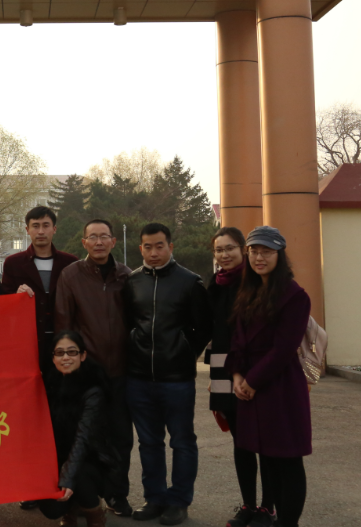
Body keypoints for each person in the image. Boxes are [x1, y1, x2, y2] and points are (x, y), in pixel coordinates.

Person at [123, 223, 210, 525]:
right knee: (149, 443)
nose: (154, 252)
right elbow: (127, 323)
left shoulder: (190, 282)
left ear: (170, 247)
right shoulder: (132, 282)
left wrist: (184, 352)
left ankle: (179, 501)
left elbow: (203, 327)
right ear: (140, 248)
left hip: (177, 380)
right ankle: (155, 498)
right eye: (147, 247)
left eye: (159, 246)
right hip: (138, 378)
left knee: (182, 441)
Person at [227, 227, 311, 527]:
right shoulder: (248, 291)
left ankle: (288, 522)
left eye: (266, 252)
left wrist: (252, 381)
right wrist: (237, 374)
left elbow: (284, 349)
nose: (259, 258)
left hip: (280, 387)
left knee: (287, 459)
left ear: (279, 255)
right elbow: (237, 339)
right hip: (251, 386)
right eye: (254, 251)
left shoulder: (294, 296)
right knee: (267, 457)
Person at [55, 219, 134, 518]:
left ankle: (117, 494)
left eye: (104, 237)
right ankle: (81, 497)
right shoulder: (71, 275)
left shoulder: (127, 276)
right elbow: (64, 323)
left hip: (122, 371)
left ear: (113, 241)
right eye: (93, 237)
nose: (99, 242)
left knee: (121, 437)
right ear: (84, 242)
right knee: (81, 436)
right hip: (87, 373)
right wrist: (70, 366)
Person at [207, 227, 275, 527]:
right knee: (241, 441)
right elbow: (214, 332)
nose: (224, 255)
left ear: (243, 250)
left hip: (255, 370)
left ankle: (268, 508)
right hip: (224, 370)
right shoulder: (215, 284)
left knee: (266, 442)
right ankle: (248, 504)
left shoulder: (257, 281)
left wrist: (252, 376)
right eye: (218, 250)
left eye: (230, 248)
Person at [37, 331, 117, 527]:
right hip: (58, 458)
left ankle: (94, 513)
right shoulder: (48, 384)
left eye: (72, 352)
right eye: (60, 352)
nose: (65, 357)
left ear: (82, 355)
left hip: (91, 459)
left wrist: (67, 477)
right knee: (51, 509)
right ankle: (70, 509)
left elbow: (83, 439)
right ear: (53, 358)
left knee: (80, 476)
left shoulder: (93, 389)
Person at [1, 206, 78, 368]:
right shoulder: (14, 263)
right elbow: (4, 303)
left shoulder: (70, 263)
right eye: (35, 226)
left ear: (54, 229)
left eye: (46, 225)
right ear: (27, 230)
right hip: (28, 341)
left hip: (63, 342)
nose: (41, 231)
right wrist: (16, 295)